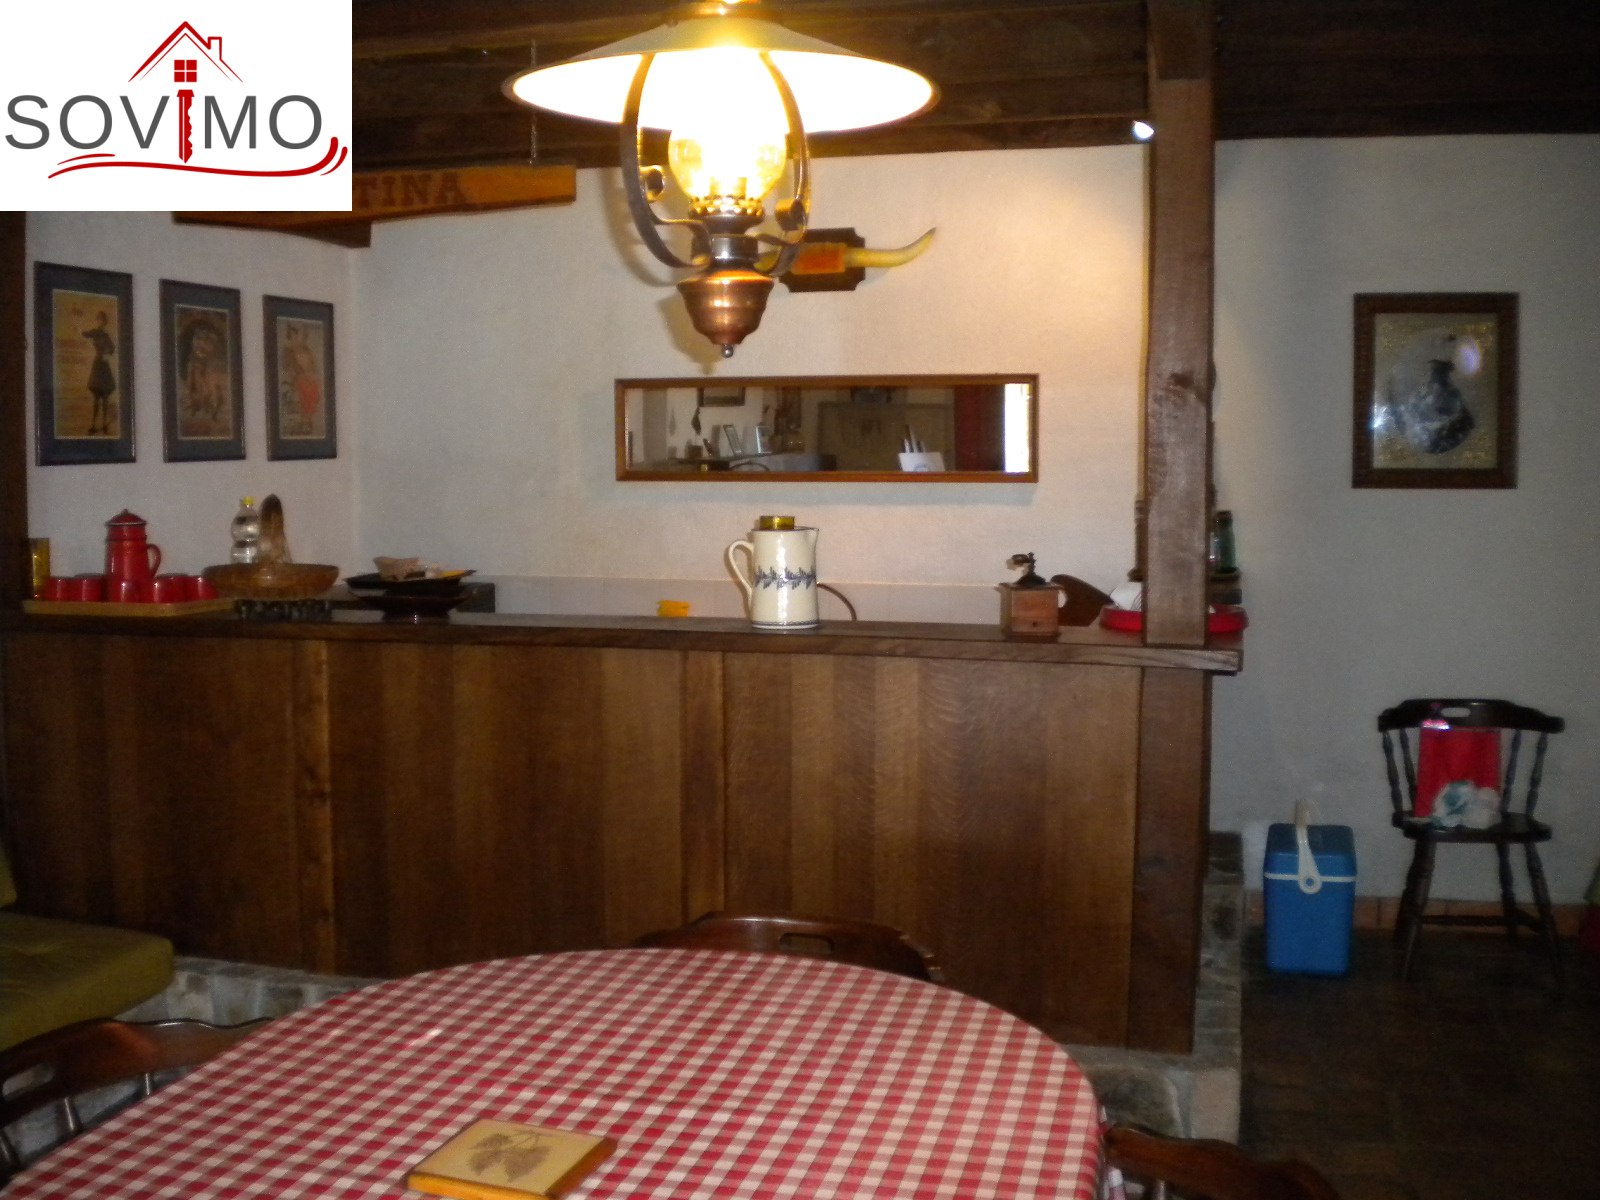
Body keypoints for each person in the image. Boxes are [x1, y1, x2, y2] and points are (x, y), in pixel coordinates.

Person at [82, 311, 117, 435]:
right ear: (97, 320)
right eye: (98, 319)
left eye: (102, 320)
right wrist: (77, 326)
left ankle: (104, 424)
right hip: (97, 365)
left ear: (104, 322)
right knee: (96, 398)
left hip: (104, 366)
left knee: (105, 397)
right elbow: (85, 334)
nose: (100, 321)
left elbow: (112, 349)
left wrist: (107, 354)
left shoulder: (106, 335)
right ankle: (93, 425)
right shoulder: (95, 332)